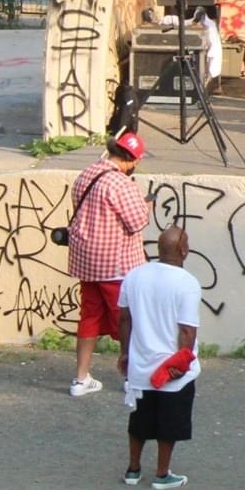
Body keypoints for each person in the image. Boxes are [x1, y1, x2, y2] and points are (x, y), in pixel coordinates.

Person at [66, 129, 152, 397]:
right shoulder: (121, 184)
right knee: (125, 320)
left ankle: (80, 379)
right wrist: (146, 206)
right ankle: (131, 378)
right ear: (133, 160)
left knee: (89, 317)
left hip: (86, 262)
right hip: (116, 264)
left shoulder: (87, 173)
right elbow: (137, 222)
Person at [117, 225, 202, 490]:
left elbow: (124, 318)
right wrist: (182, 363)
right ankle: (162, 474)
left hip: (141, 364)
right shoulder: (187, 283)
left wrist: (125, 352)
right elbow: (187, 330)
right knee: (170, 422)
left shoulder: (134, 275)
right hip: (171, 369)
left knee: (139, 420)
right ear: (183, 250)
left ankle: (133, 469)